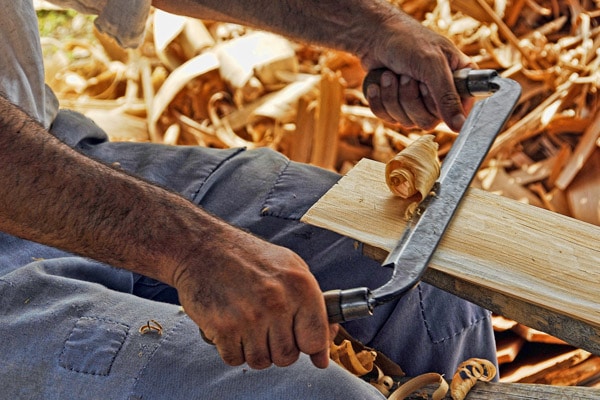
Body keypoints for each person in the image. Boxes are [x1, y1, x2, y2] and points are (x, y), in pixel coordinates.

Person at [0, 0, 496, 398]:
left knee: (432, 292)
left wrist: (368, 27)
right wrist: (192, 249)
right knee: (306, 393)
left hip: (50, 150)